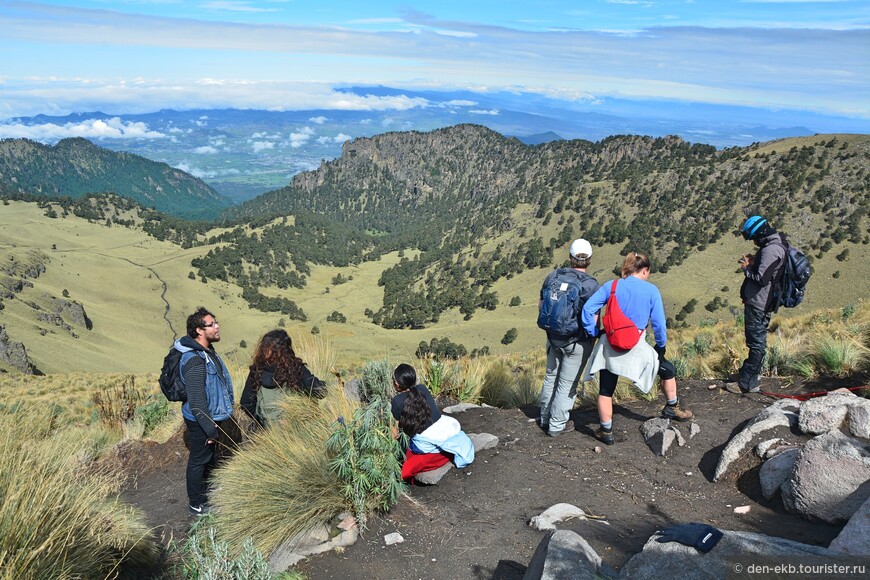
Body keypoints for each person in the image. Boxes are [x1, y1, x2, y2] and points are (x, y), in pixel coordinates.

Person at [581, 252, 693, 445]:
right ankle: (672, 407)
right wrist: (661, 346)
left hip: (610, 344)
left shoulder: (611, 286)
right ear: (645, 270)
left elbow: (588, 309)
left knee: (606, 389)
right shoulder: (651, 291)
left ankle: (606, 430)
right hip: (636, 345)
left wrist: (594, 332)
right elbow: (658, 323)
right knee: (668, 370)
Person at [537, 238, 601, 437]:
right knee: (567, 383)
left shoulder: (553, 276)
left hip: (553, 337)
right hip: (576, 341)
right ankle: (557, 425)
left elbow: (541, 306)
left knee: (550, 378)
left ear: (570, 257)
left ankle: (545, 417)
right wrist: (593, 337)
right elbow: (593, 318)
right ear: (589, 259)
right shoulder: (590, 285)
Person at [175, 307, 234, 515]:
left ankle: (207, 491)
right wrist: (210, 428)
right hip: (201, 418)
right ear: (199, 331)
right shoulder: (195, 360)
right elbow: (197, 400)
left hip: (209, 416)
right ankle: (196, 503)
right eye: (212, 324)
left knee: (208, 457)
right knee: (199, 460)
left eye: (216, 322)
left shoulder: (206, 352)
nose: (217, 326)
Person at [727, 215, 786, 394]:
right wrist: (755, 263)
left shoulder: (770, 251)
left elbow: (760, 279)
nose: (754, 241)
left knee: (756, 342)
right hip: (763, 302)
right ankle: (749, 373)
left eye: (754, 237)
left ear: (760, 234)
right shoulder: (775, 246)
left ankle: (747, 382)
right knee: (756, 340)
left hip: (759, 303)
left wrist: (746, 268)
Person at [391, 363, 474, 481]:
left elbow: (394, 434)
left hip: (427, 441)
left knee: (403, 472)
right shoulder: (422, 389)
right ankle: (447, 452)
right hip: (444, 428)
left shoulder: (397, 401)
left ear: (397, 383)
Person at [240, 329, 326, 428]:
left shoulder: (257, 370)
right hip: (295, 429)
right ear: (287, 349)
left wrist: (262, 420)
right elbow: (320, 392)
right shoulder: (296, 369)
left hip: (268, 431)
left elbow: (245, 403)